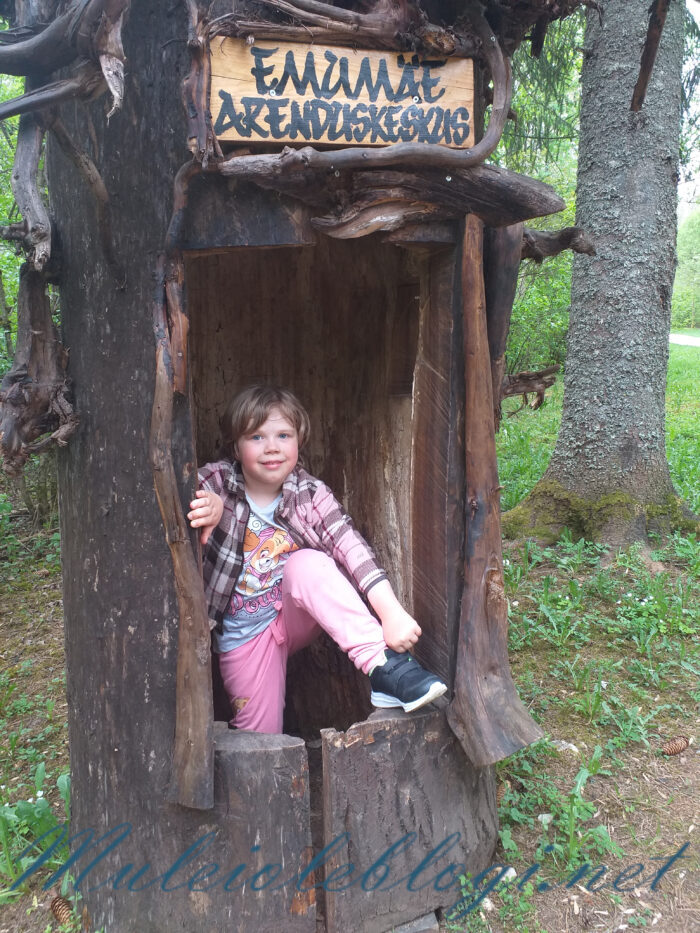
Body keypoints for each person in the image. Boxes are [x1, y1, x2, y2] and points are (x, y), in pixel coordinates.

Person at [188, 384, 447, 733]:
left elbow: (352, 549)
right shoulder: (220, 480)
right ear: (236, 446)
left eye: (283, 435)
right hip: (243, 635)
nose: (272, 447)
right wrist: (209, 504)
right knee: (260, 741)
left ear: (299, 440)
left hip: (294, 613)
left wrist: (391, 613)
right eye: (256, 437)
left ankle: (383, 666)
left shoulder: (309, 494)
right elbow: (184, 487)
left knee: (308, 564)